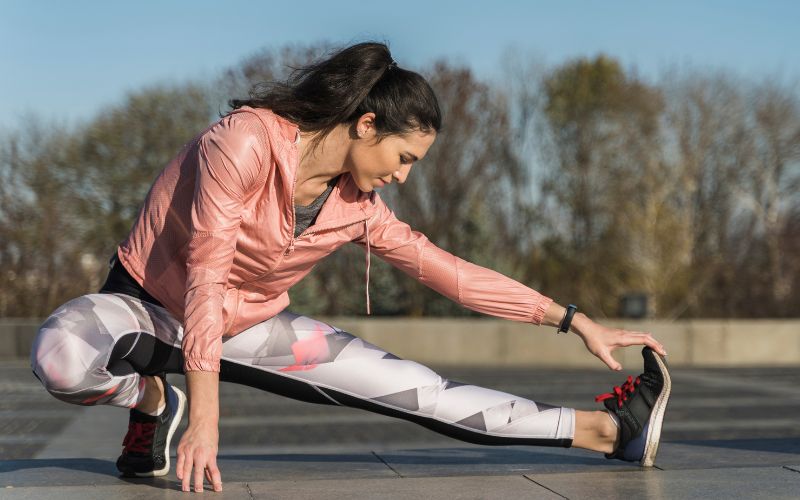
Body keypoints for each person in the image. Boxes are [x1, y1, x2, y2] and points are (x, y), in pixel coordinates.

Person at [30, 42, 671, 493]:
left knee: (426, 394)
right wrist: (204, 418)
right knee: (62, 352)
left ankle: (612, 432)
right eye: (404, 157)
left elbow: (450, 273)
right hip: (149, 304)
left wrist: (572, 319)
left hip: (248, 324)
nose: (403, 176)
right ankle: (151, 399)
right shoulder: (245, 141)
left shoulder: (358, 208)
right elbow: (205, 275)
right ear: (366, 124)